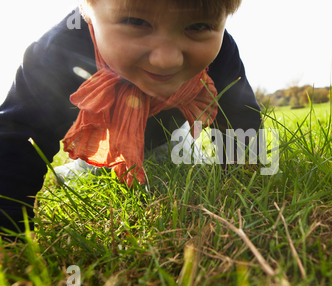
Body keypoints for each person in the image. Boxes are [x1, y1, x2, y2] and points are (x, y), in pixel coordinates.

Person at [0, 0, 262, 237]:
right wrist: (8, 229)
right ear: (87, 10)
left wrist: (246, 182)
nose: (166, 59)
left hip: (166, 139)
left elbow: (240, 116)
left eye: (198, 26)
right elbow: (21, 133)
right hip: (105, 144)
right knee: (92, 172)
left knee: (175, 162)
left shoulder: (222, 52)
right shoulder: (60, 49)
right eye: (135, 22)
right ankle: (75, 170)